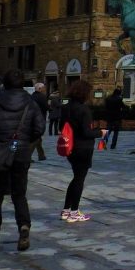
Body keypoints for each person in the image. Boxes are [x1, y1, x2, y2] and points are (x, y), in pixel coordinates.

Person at [0, 69, 44, 251]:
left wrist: (1, 138)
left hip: (1, 152)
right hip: (21, 152)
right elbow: (39, 128)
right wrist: (24, 140)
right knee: (19, 194)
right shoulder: (31, 104)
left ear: (5, 84)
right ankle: (24, 226)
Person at [60, 80, 107, 223]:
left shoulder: (66, 107)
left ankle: (66, 210)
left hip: (70, 148)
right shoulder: (84, 110)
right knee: (79, 180)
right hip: (83, 148)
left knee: (75, 178)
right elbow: (87, 132)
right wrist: (101, 132)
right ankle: (74, 212)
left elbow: (62, 126)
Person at [30, 83, 49, 161]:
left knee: (38, 137)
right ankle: (28, 156)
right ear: (40, 89)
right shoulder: (42, 97)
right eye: (43, 88)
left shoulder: (31, 96)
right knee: (37, 137)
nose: (45, 89)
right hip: (40, 120)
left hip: (31, 119)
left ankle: (41, 155)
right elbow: (46, 107)